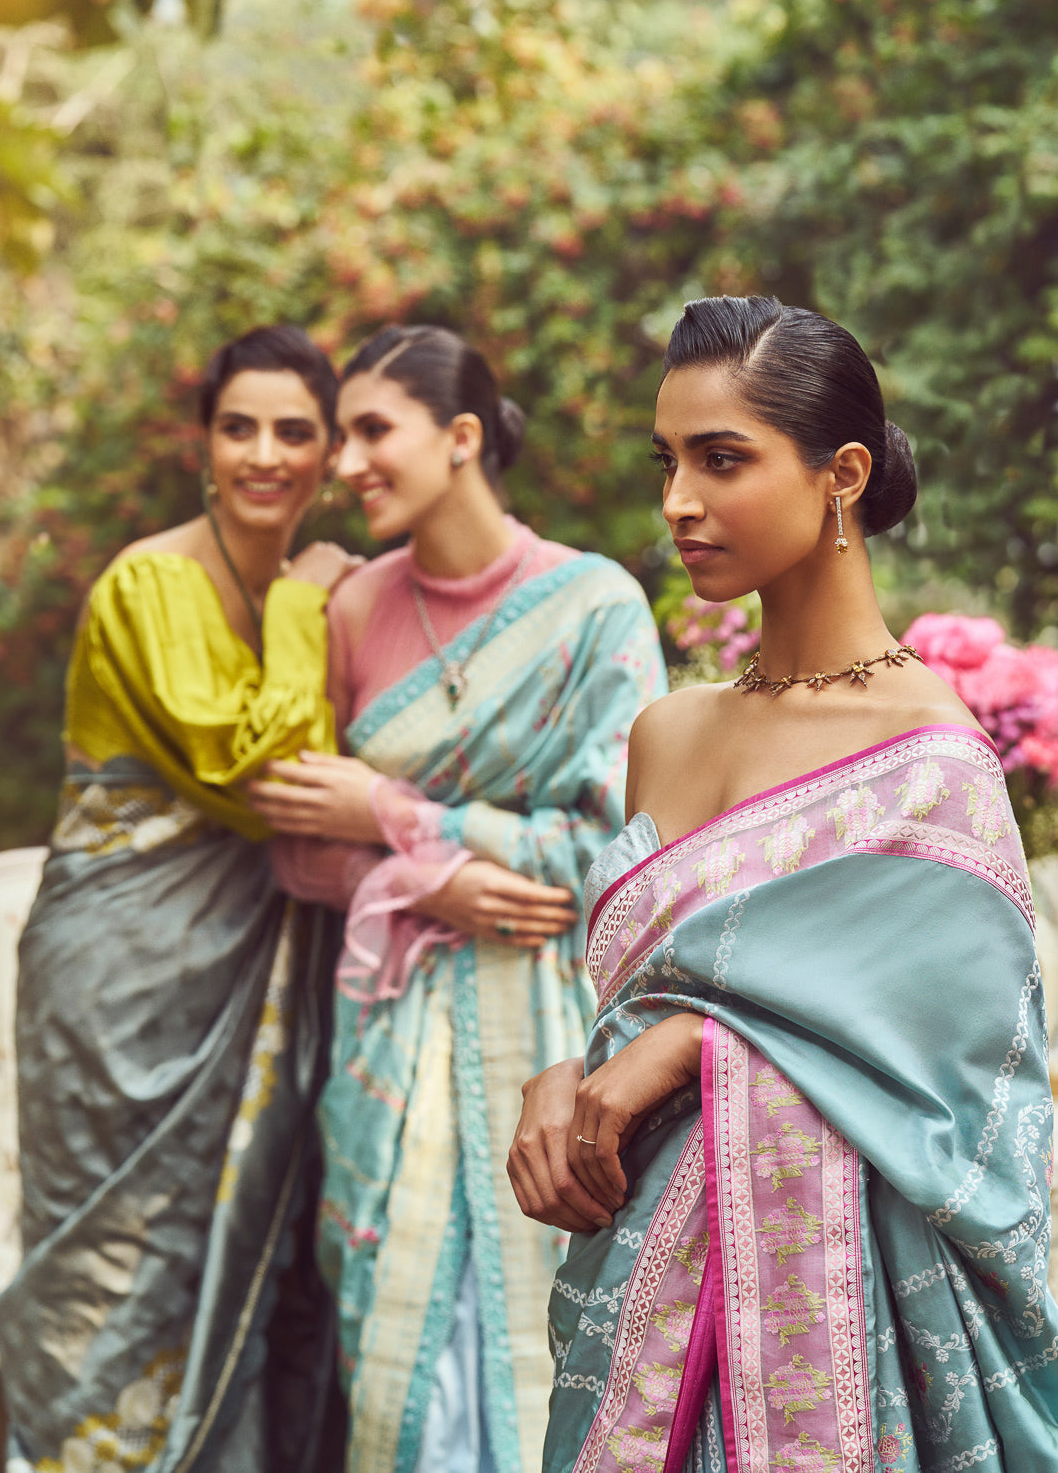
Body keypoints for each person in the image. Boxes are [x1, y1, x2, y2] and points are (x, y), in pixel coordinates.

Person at [507, 295, 1058, 1472]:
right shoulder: (665, 733)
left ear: (839, 473)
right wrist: (567, 1079)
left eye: (721, 460)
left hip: (846, 1334)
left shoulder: (930, 764)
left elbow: (976, 1106)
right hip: (637, 1296)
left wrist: (693, 1051)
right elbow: (635, 1007)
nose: (676, 503)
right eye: (665, 462)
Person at [247, 324, 667, 1473]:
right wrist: (439, 880)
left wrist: (403, 819)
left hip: (551, 1031)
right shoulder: (344, 610)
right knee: (398, 1349)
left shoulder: (594, 611)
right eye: (340, 438)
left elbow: (612, 852)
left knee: (559, 1332)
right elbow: (296, 849)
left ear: (462, 437)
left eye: (371, 432)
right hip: (389, 1036)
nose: (344, 464)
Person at [0, 325, 358, 1473]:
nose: (263, 454)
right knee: (113, 1273)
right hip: (122, 986)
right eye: (237, 427)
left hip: (256, 959)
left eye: (292, 431)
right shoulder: (153, 581)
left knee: (249, 1253)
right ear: (203, 445)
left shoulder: (328, 587)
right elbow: (262, 779)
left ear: (328, 448)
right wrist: (305, 604)